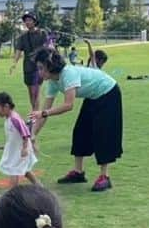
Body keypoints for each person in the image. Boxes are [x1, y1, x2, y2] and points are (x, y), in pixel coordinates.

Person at [29, 48, 123, 192]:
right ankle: (78, 173)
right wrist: (33, 134)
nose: (39, 72)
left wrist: (44, 112)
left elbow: (68, 105)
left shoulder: (68, 74)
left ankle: (105, 177)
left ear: (51, 66)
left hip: (108, 92)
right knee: (80, 132)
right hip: (93, 96)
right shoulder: (53, 82)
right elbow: (43, 113)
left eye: (41, 68)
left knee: (103, 135)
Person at [0, 92, 38, 188]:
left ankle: (12, 192)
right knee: (24, 170)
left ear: (6, 106)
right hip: (16, 149)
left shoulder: (14, 119)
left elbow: (25, 134)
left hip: (21, 149)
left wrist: (25, 148)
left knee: (14, 170)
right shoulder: (8, 118)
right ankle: (39, 186)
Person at [9, 11, 50, 112]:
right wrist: (14, 64)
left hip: (39, 68)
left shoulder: (42, 33)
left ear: (35, 21)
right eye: (25, 20)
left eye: (29, 20)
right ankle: (35, 112)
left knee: (35, 91)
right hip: (27, 68)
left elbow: (49, 46)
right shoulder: (23, 37)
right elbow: (18, 51)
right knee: (31, 93)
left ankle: (35, 115)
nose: (27, 22)